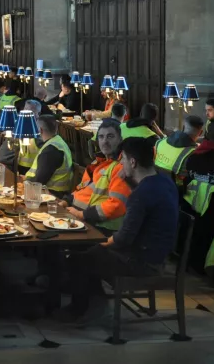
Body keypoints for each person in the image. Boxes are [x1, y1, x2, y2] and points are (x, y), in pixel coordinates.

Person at [57, 138, 178, 325]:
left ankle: (87, 310)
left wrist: (101, 243)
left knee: (79, 257)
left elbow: (123, 239)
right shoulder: (164, 181)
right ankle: (94, 303)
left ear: (133, 162)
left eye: (123, 160)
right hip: (158, 254)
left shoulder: (141, 194)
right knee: (90, 250)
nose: (120, 164)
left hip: (143, 262)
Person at [62, 120, 132, 233]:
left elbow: (117, 205)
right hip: (83, 218)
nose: (105, 141)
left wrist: (81, 214)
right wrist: (66, 201)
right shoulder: (99, 162)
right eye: (101, 137)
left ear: (120, 140)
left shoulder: (121, 167)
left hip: (102, 228)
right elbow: (83, 189)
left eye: (110, 136)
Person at [24, 115, 75, 197]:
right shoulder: (58, 142)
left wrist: (25, 182)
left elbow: (38, 181)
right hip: (56, 191)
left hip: (51, 194)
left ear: (40, 130)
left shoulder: (50, 151)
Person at [154, 115, 203, 185]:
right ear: (200, 133)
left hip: (154, 185)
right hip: (175, 192)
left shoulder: (159, 143)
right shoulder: (193, 154)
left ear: (183, 128)